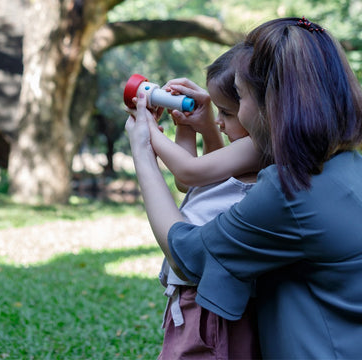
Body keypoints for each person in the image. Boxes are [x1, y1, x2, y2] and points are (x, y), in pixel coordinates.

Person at [126, 16, 362, 359]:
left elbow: (188, 255)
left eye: (241, 96)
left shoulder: (291, 190)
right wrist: (206, 128)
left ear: (272, 103)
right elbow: (217, 184)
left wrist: (143, 150)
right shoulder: (346, 166)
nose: (236, 111)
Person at [142, 45, 262, 359]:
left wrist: (148, 133)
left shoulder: (257, 146)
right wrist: (191, 126)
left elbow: (189, 171)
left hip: (207, 299)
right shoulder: (243, 149)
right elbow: (190, 185)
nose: (221, 121)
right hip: (192, 294)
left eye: (227, 112)